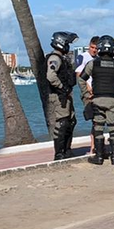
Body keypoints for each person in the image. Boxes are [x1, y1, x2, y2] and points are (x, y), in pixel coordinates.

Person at [78, 35, 114, 165]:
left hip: (97, 100)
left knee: (98, 128)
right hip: (113, 100)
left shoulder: (93, 63)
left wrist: (86, 94)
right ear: (113, 48)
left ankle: (99, 157)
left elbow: (81, 79)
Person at [46, 31, 78, 160]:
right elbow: (51, 76)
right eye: (67, 43)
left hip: (65, 95)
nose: (68, 46)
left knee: (71, 121)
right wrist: (62, 87)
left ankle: (67, 150)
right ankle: (59, 153)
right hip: (59, 96)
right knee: (63, 123)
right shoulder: (55, 58)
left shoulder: (61, 58)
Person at [75, 36, 99, 155]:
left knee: (99, 121)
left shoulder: (99, 59)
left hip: (99, 93)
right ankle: (93, 147)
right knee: (94, 120)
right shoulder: (82, 57)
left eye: (96, 48)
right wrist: (87, 90)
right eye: (92, 47)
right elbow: (79, 75)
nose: (94, 50)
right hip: (88, 94)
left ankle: (96, 145)